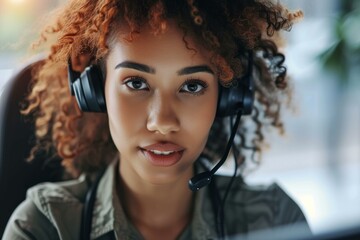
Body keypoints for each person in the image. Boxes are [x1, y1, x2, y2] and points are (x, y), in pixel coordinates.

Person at [3, 0, 310, 239]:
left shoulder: (275, 220)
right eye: (136, 83)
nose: (162, 122)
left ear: (229, 97)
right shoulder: (43, 228)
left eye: (192, 86)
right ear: (95, 89)